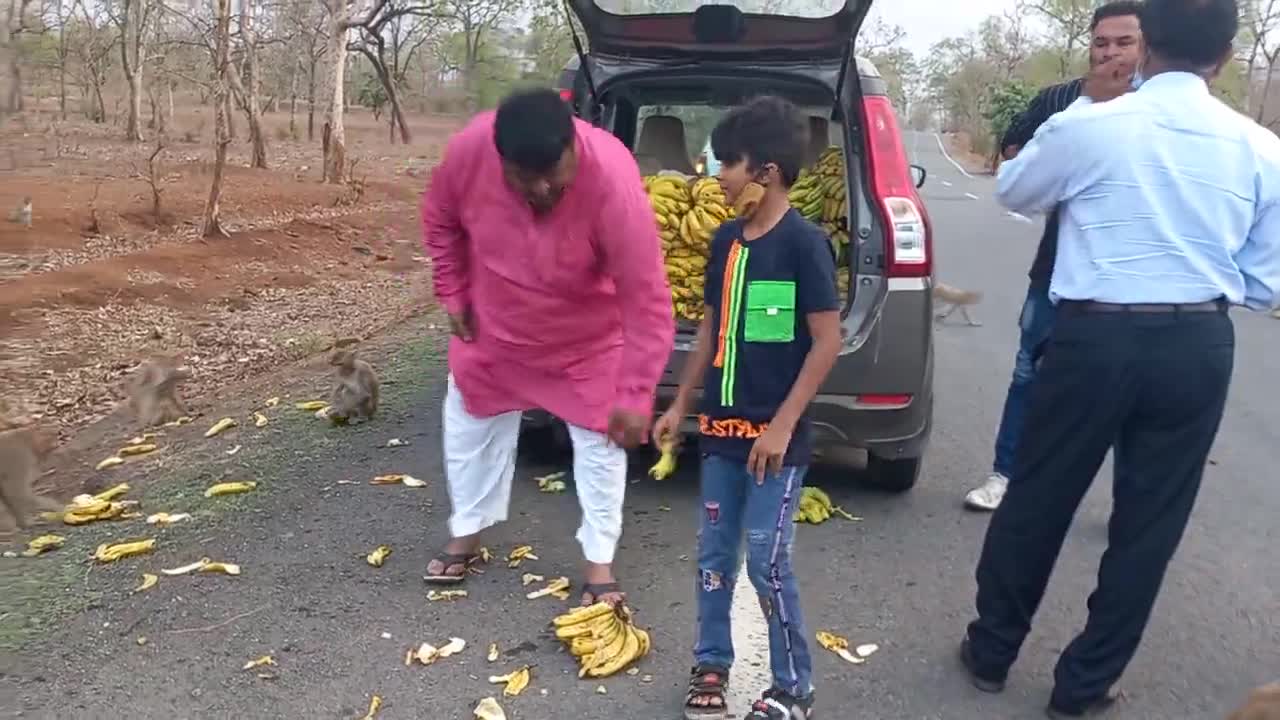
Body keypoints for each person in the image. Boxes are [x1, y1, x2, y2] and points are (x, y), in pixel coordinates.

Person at [959, 0, 1280, 717]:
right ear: (1227, 58)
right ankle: (1084, 684)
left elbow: (1014, 190)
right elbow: (1265, 283)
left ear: (1146, 47)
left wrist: (1078, 118)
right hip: (1199, 341)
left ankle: (991, 653)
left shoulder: (1090, 126)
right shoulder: (1261, 148)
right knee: (1150, 521)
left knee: (1039, 495)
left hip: (1093, 337)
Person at [420, 88, 675, 606]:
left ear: (574, 146)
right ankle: (466, 531)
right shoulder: (470, 151)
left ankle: (599, 564)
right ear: (499, 159)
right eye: (523, 177)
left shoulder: (613, 181)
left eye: (552, 175)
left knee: (601, 445)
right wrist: (453, 292)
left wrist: (636, 391)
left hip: (586, 340)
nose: (539, 189)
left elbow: (646, 299)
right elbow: (440, 220)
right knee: (467, 425)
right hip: (497, 328)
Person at [652, 96, 842, 720]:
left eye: (727, 163)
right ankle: (711, 663)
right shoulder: (726, 242)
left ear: (765, 171)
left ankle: (794, 687)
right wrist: (680, 405)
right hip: (720, 437)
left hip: (774, 445)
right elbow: (710, 330)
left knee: (765, 562)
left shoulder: (804, 245)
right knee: (712, 557)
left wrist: (782, 427)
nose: (718, 175)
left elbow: (826, 341)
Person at [964, 0, 1144, 512]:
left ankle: (1131, 501)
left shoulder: (1163, 107)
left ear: (1146, 45)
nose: (1111, 53)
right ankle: (1005, 475)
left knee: (1133, 394)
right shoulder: (1063, 99)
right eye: (1101, 42)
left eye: (1124, 42)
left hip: (1136, 278)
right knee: (1030, 372)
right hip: (1058, 269)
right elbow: (1013, 154)